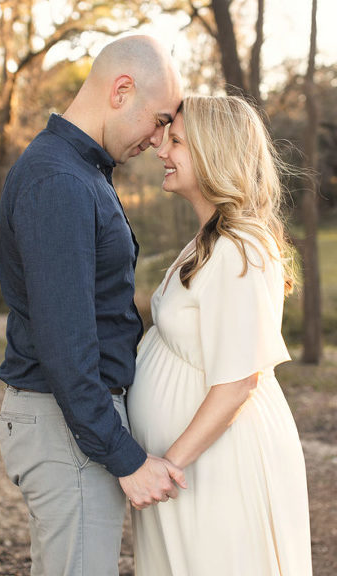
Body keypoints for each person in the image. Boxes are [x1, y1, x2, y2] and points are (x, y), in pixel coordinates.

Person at [0, 35, 185, 575]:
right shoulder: (59, 180)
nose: (157, 139)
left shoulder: (82, 172)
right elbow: (66, 344)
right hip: (67, 429)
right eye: (158, 119)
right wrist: (124, 456)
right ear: (122, 90)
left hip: (72, 427)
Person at [128, 94, 312, 575]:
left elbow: (238, 381)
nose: (162, 151)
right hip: (193, 467)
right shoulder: (210, 239)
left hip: (215, 463)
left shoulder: (240, 247)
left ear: (215, 153)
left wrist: (167, 468)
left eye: (177, 142)